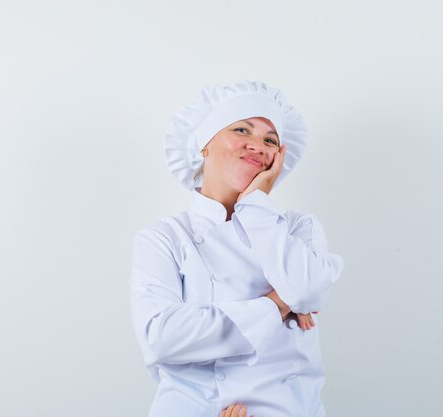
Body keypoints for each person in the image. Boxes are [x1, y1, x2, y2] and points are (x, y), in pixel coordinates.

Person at [129, 80, 345, 417]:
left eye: (270, 140)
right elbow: (162, 338)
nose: (257, 145)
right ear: (204, 144)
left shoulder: (298, 228)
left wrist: (256, 205)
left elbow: (309, 289)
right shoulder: (164, 238)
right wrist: (277, 303)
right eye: (242, 129)